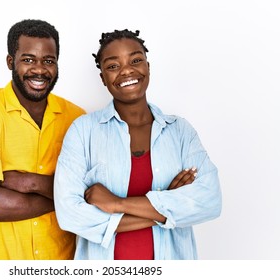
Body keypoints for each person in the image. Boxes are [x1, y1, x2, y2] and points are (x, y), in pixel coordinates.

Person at [54, 29, 222, 260]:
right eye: (113, 66)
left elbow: (209, 200)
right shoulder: (83, 131)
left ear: (147, 67)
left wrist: (116, 203)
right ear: (103, 77)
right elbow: (70, 214)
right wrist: (168, 205)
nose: (126, 70)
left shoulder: (180, 131)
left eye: (135, 60)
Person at [0, 19, 85, 260]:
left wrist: (30, 183)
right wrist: (67, 201)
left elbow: (90, 191)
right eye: (28, 60)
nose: (39, 70)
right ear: (10, 62)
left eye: (48, 61)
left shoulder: (77, 119)